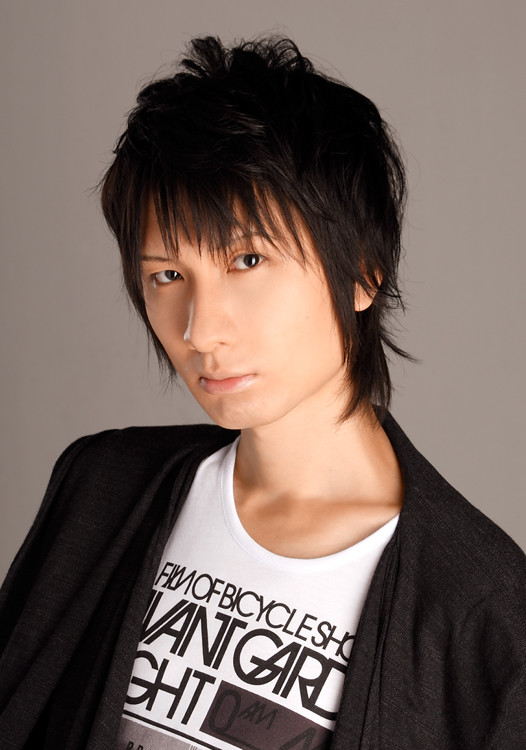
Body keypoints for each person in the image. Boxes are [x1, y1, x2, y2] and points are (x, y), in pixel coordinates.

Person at [0, 35, 525, 750]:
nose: (200, 329)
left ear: (362, 273)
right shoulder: (99, 491)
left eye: (247, 259)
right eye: (166, 275)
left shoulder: (483, 612)